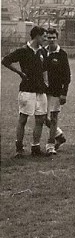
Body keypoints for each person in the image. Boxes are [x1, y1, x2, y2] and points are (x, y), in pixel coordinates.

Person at [2, 26, 49, 157]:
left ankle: (35, 147)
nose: (46, 39)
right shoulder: (23, 50)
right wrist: (19, 72)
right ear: (37, 36)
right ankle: (19, 147)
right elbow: (5, 61)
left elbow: (45, 69)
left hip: (40, 90)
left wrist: (46, 83)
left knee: (40, 119)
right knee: (23, 119)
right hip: (27, 90)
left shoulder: (43, 52)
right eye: (44, 37)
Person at [43, 28, 71, 155]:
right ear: (46, 38)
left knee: (53, 118)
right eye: (49, 37)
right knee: (42, 118)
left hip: (56, 91)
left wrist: (64, 93)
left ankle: (50, 145)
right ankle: (59, 135)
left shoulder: (62, 54)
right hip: (42, 91)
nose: (51, 40)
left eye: (53, 37)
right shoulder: (42, 52)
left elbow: (67, 76)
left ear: (57, 38)